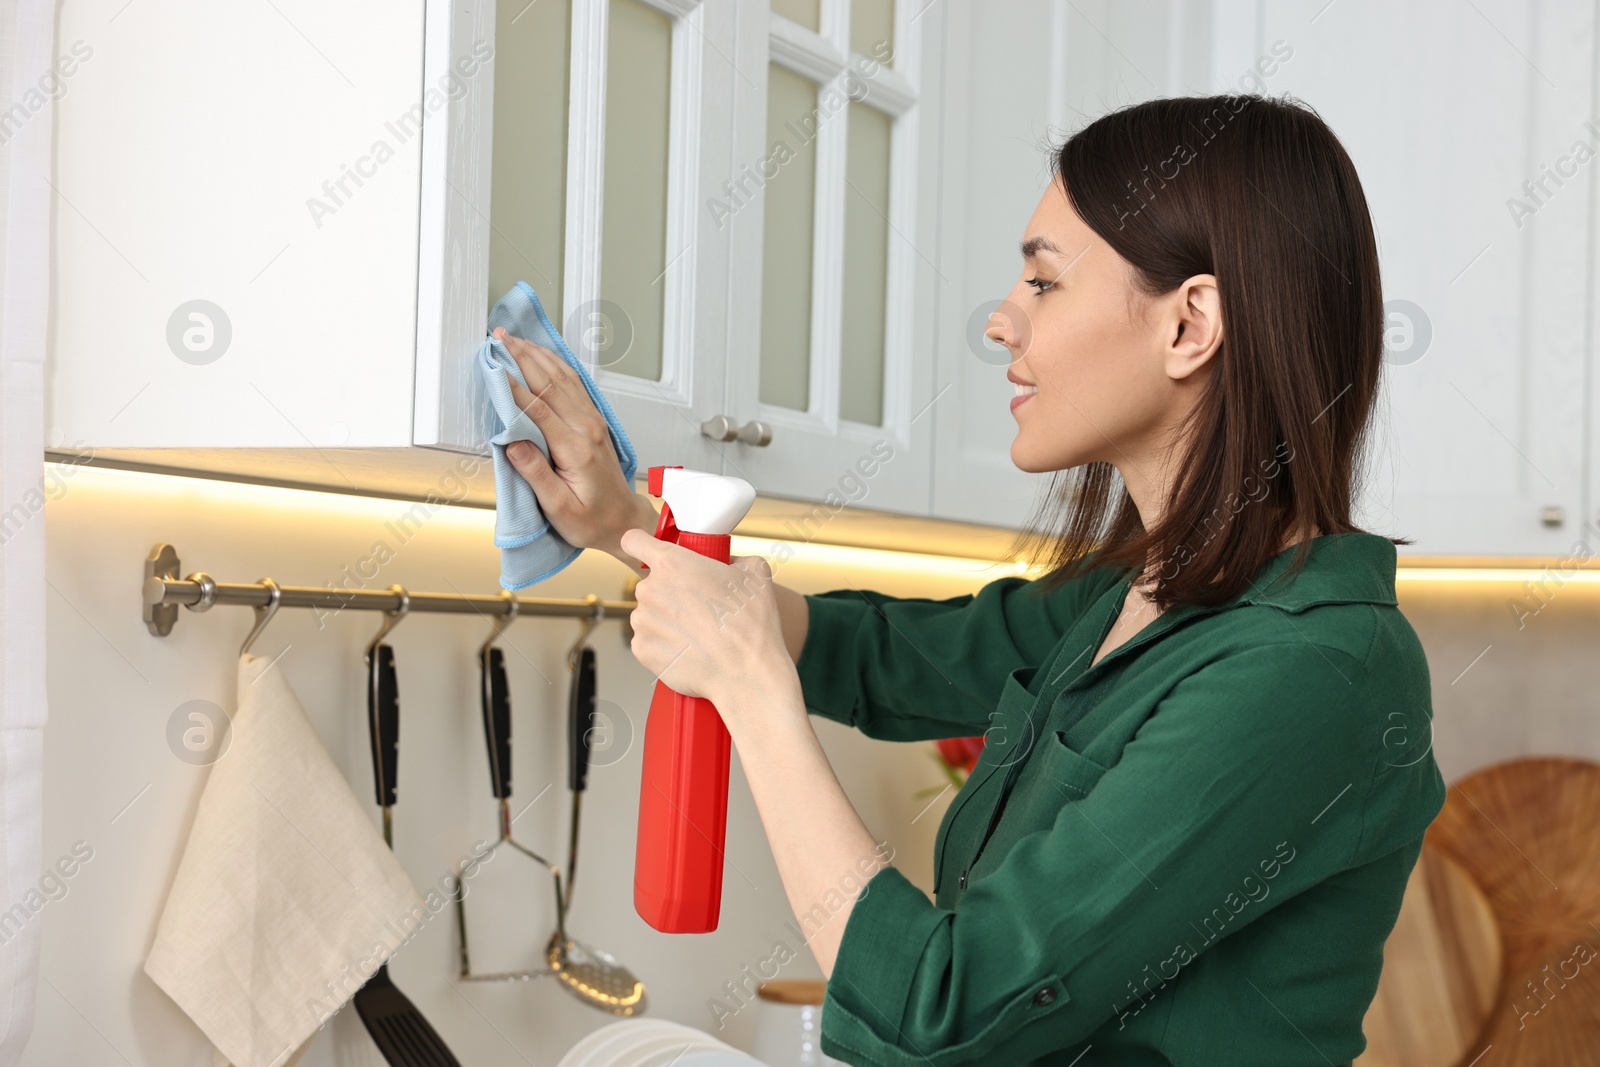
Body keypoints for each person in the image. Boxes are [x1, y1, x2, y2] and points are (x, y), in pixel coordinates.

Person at [492, 94, 1446, 1066]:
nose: (1000, 321)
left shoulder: (1304, 669)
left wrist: (750, 690)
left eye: (1043, 281)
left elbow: (942, 1013)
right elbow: (878, 658)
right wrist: (632, 527)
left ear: (1189, 324)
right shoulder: (1133, 595)